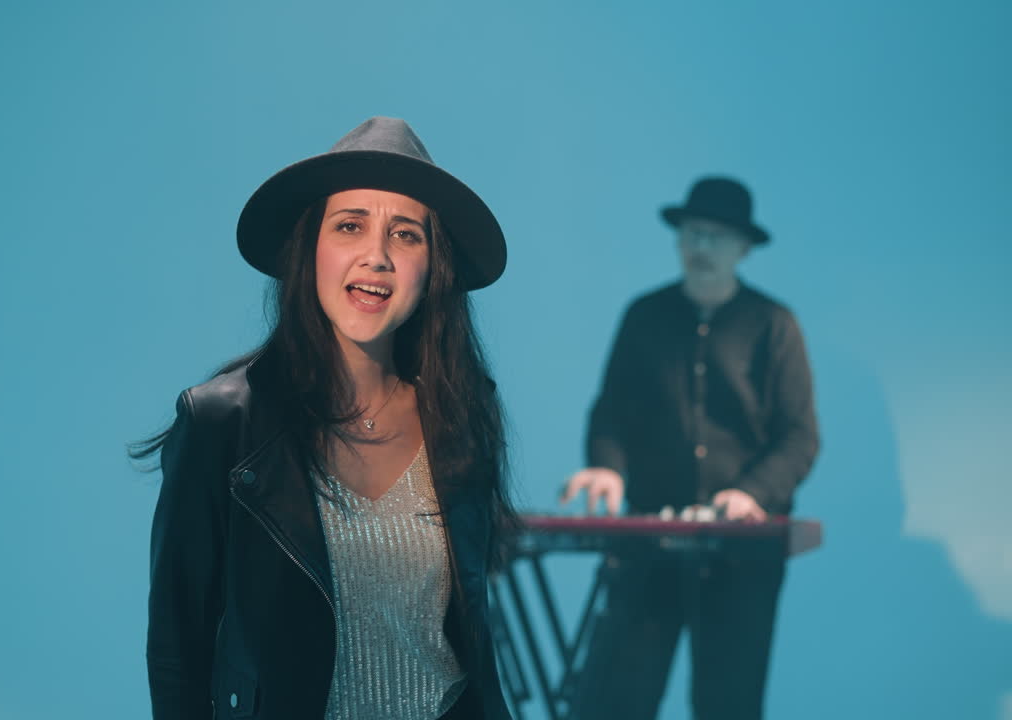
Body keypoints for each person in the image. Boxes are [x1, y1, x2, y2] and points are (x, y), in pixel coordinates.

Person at [133, 117, 516, 720]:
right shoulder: (221, 421)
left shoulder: (463, 416)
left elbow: (475, 639)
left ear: (432, 268)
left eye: (407, 235)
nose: (378, 256)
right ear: (310, 247)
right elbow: (178, 650)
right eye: (350, 225)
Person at [560, 176, 819, 719]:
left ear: (744, 248)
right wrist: (606, 469)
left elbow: (800, 436)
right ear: (679, 240)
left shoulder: (774, 324)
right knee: (615, 701)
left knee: (728, 704)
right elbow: (611, 411)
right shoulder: (644, 315)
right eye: (693, 235)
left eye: (716, 237)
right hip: (651, 540)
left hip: (741, 554)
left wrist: (751, 493)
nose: (701, 248)